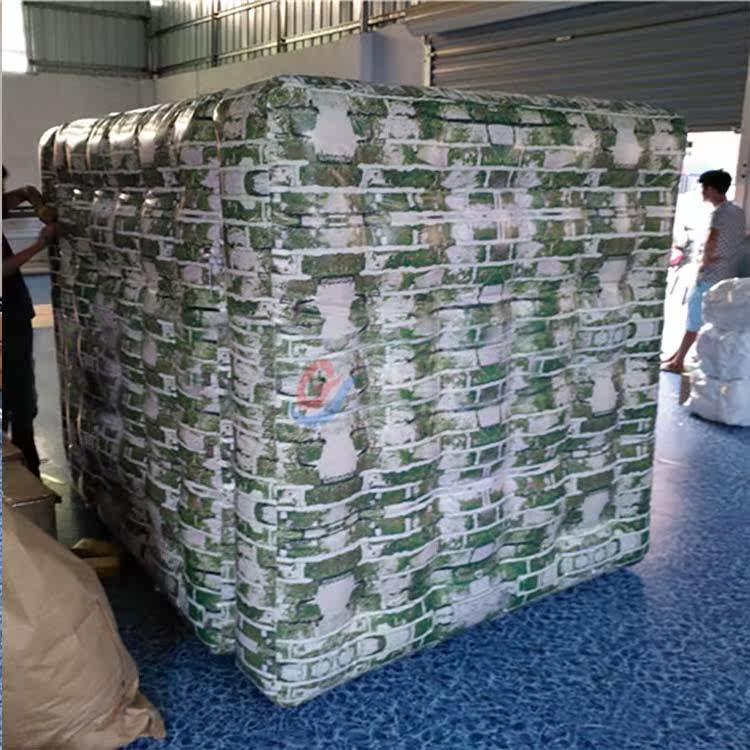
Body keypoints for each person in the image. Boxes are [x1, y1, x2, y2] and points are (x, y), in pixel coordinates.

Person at [2, 165, 59, 476]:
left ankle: (26, 472)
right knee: (17, 398)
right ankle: (23, 478)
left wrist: (40, 208)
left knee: (23, 392)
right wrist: (40, 244)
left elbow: (25, 192)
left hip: (15, 316)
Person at [661, 169, 747, 374]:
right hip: (729, 273)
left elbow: (712, 242)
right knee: (711, 319)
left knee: (695, 318)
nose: (702, 192)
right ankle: (678, 356)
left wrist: (703, 264)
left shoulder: (719, 214)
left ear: (711, 189)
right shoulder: (738, 212)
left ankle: (678, 362)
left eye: (704, 188)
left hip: (711, 274)